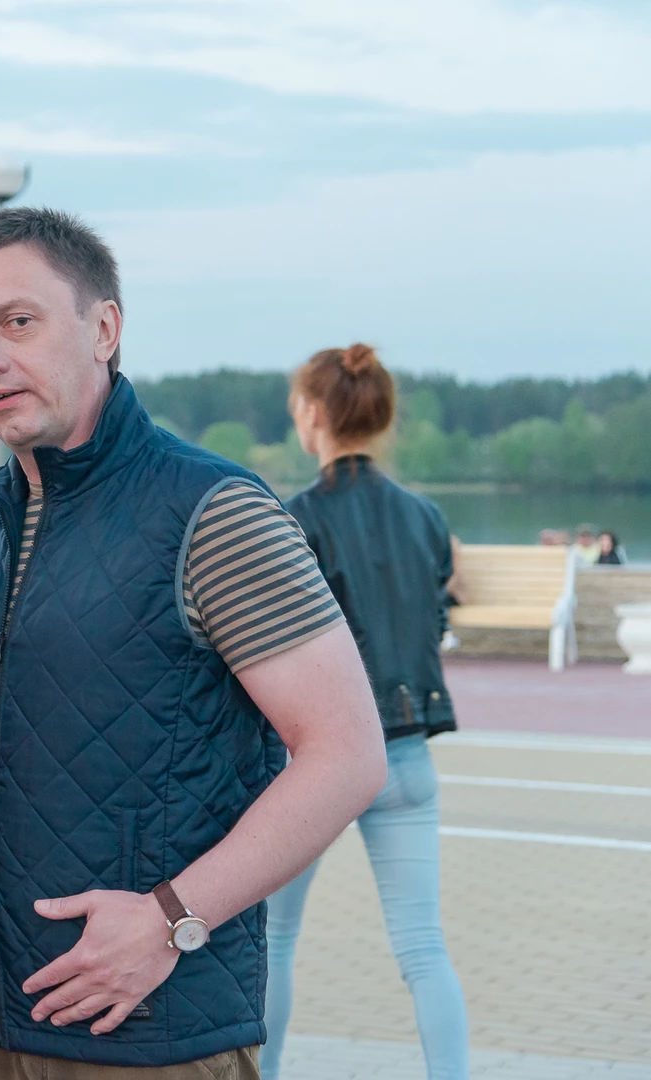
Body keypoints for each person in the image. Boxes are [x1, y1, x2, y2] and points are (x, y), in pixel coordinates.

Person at [0, 208, 387, 1079]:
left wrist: (170, 918)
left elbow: (347, 754)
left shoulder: (211, 512)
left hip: (151, 1032)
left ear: (103, 329)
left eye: (17, 321)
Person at [264, 344, 470, 1080]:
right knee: (423, 948)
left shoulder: (293, 520)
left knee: (272, 939)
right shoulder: (425, 515)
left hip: (318, 764)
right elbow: (434, 617)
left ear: (313, 413)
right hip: (408, 756)